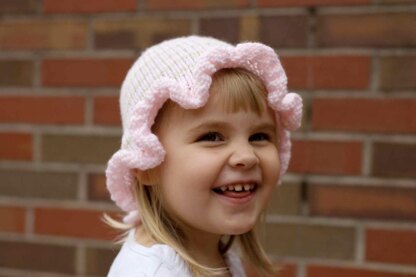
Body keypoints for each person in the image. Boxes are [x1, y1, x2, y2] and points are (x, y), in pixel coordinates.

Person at [105, 36, 303, 276]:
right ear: (146, 164)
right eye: (212, 137)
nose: (246, 156)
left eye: (259, 136)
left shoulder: (215, 255)